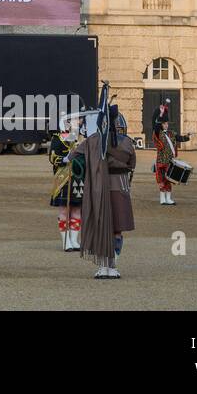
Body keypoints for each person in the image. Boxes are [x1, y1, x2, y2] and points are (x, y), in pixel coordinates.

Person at [78, 101, 135, 279]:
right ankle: (113, 266)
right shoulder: (126, 142)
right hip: (121, 186)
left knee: (102, 226)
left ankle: (104, 266)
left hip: (98, 188)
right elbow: (131, 164)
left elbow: (74, 158)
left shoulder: (94, 140)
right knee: (116, 230)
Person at [49, 105, 86, 251]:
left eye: (80, 119)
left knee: (77, 209)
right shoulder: (57, 138)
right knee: (64, 210)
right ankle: (66, 242)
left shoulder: (82, 138)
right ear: (68, 121)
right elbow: (52, 157)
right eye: (77, 119)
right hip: (63, 177)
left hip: (79, 178)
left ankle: (74, 240)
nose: (80, 121)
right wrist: (65, 159)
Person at [151, 102, 187, 205]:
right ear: (161, 125)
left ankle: (168, 198)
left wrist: (188, 137)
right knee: (162, 180)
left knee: (169, 180)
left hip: (170, 161)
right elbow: (156, 126)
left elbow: (180, 138)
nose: (167, 125)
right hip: (161, 161)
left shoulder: (171, 133)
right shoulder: (157, 133)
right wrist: (161, 114)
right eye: (165, 123)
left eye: (167, 123)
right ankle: (162, 199)